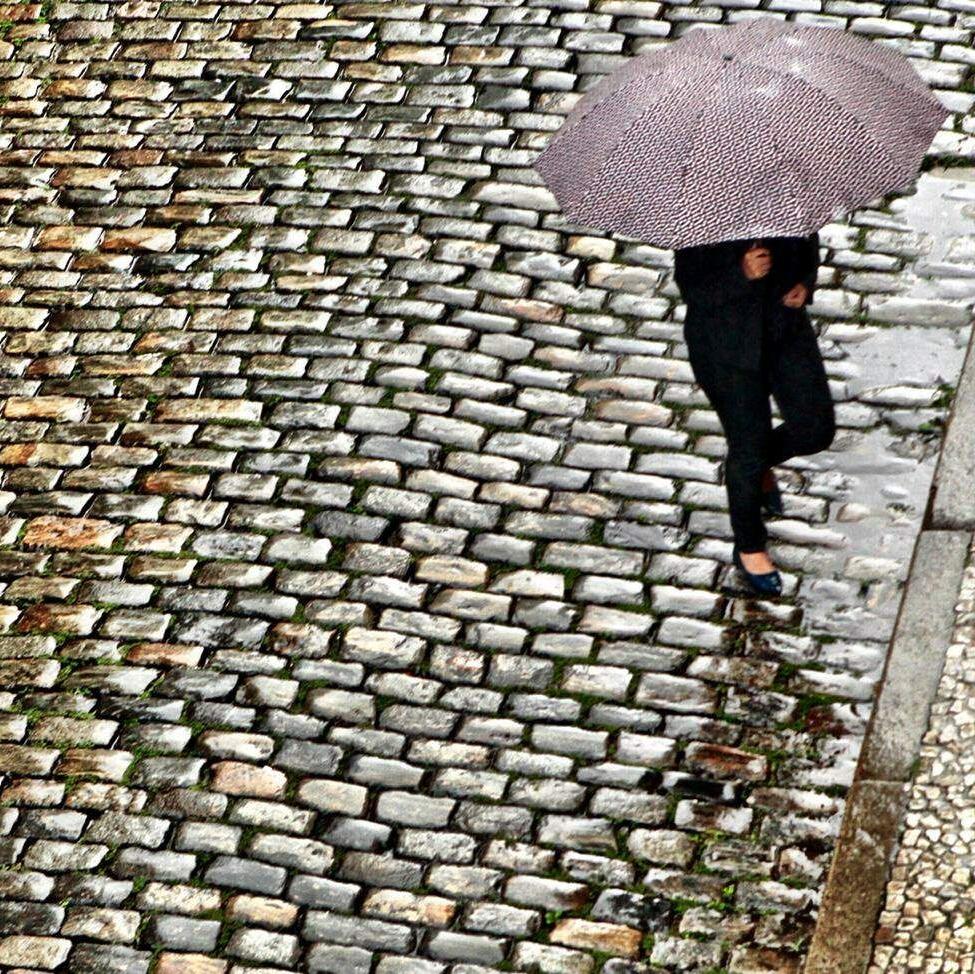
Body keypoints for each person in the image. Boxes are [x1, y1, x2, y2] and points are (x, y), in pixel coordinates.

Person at [672, 233, 836, 595]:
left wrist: (805, 284)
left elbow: (807, 248)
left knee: (815, 429)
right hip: (725, 349)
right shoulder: (702, 215)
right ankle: (749, 547)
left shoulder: (784, 193)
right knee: (748, 446)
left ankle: (756, 467)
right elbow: (692, 288)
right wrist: (740, 273)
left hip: (785, 331)